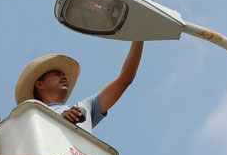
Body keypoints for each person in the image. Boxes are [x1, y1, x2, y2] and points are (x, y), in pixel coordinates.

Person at [14, 42, 144, 134]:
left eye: (64, 75)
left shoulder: (85, 107)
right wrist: (60, 121)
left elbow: (125, 79)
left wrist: (138, 36)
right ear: (39, 84)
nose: (64, 77)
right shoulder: (33, 116)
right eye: (56, 74)